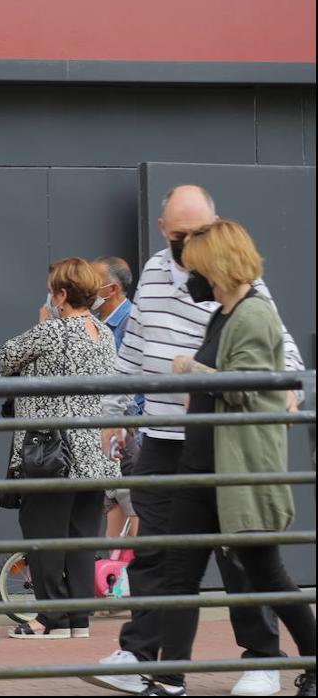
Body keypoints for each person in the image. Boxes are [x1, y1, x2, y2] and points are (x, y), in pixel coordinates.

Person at [86, 186, 305, 697]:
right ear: (163, 230)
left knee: (244, 558)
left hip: (221, 444)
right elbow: (134, 348)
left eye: (199, 233)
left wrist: (284, 386)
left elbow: (280, 350)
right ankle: (145, 656)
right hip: (165, 438)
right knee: (162, 556)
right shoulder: (157, 277)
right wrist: (114, 412)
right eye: (180, 235)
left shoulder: (235, 283)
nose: (189, 245)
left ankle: (262, 658)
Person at [144, 221, 315, 697]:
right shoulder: (223, 313)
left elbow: (245, 384)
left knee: (265, 573)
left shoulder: (254, 316)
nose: (189, 279)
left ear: (215, 267)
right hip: (202, 467)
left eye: (194, 268)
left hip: (238, 474)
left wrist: (188, 368)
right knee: (180, 574)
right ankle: (167, 678)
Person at [0, 258, 119, 639]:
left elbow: (6, 356)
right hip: (95, 453)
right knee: (81, 535)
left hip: (52, 451)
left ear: (62, 295)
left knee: (43, 529)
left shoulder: (52, 331)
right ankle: (77, 617)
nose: (50, 298)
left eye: (53, 291)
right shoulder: (104, 333)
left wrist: (44, 323)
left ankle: (49, 617)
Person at [92, 257, 140, 546]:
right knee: (113, 502)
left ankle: (132, 580)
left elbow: (136, 380)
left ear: (112, 289)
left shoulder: (129, 322)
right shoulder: (98, 324)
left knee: (133, 505)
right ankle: (115, 581)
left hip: (128, 431)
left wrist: (128, 424)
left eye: (93, 278)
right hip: (109, 430)